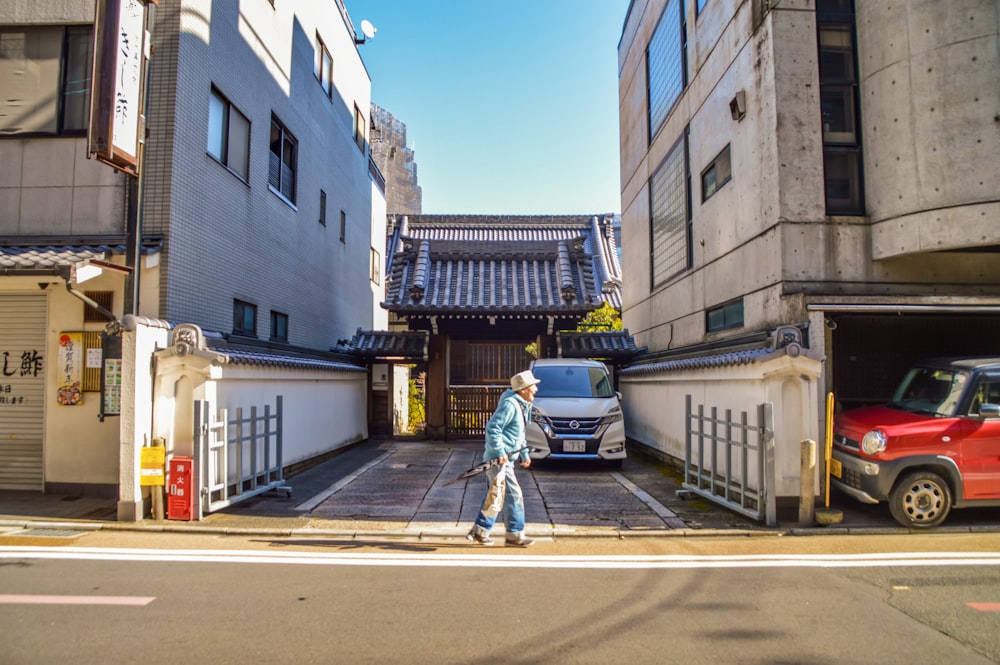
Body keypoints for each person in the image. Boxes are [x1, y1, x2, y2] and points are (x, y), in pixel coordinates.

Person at [466, 369, 540, 547]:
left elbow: (518, 434)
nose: (536, 390)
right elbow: (493, 428)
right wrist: (500, 453)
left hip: (505, 459)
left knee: (494, 495)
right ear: (523, 390)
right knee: (513, 495)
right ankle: (514, 535)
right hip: (499, 461)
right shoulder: (510, 405)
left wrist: (524, 454)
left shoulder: (521, 405)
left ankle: (480, 531)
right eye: (533, 386)